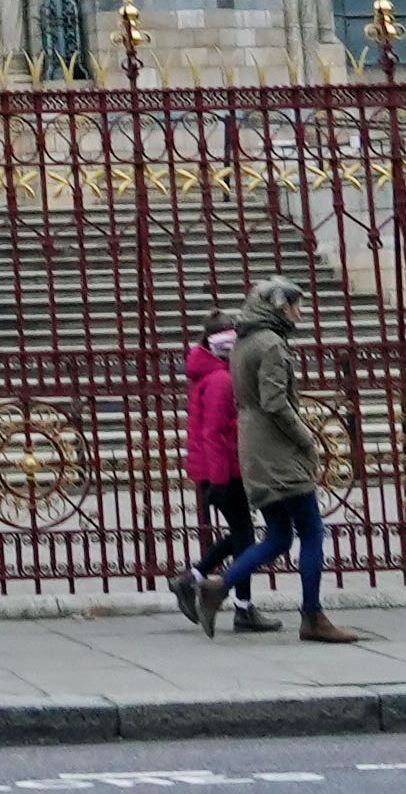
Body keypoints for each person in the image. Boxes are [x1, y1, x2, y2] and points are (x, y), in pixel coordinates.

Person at [214, 275, 356, 642]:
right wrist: (306, 439)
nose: (299, 312)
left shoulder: (243, 343)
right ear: (278, 307)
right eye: (295, 305)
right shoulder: (272, 345)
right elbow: (276, 402)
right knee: (311, 529)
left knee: (278, 534)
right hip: (277, 449)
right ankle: (312, 616)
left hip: (254, 446)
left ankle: (216, 588)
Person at [170, 319, 249, 629]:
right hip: (222, 470)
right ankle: (241, 606)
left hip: (220, 467)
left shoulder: (213, 374)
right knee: (245, 535)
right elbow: (213, 434)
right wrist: (220, 480)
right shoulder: (219, 380)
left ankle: (195, 578)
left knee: (243, 534)